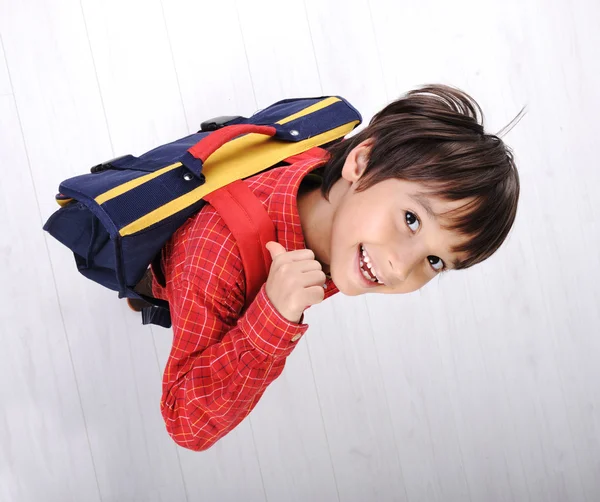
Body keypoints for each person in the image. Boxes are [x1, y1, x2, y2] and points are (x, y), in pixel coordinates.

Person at [148, 85, 520, 451]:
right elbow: (185, 423)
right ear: (360, 162)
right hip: (185, 266)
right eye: (411, 219)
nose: (401, 268)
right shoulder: (218, 254)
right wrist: (273, 317)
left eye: (434, 261)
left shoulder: (349, 222)